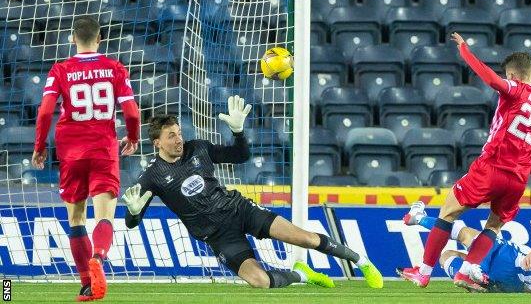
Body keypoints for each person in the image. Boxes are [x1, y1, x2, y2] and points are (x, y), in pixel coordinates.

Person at [121, 100, 383, 289]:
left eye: (179, 133)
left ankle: (362, 261)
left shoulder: (198, 147)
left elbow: (241, 155)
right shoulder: (152, 177)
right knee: (258, 281)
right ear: (157, 143)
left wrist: (238, 133)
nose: (178, 139)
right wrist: (133, 214)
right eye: (171, 136)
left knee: (305, 239)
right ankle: (301, 275)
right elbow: (132, 224)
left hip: (239, 210)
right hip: (218, 235)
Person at [399, 32, 531, 291]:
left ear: (513, 76)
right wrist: (525, 170)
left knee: (447, 213)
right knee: (493, 226)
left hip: (492, 166)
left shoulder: (516, 90)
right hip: (518, 178)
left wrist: (464, 50)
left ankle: (423, 272)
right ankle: (467, 269)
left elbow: (491, 79)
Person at [32, 15, 140, 301]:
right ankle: (99, 257)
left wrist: (40, 145)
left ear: (72, 38)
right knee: (104, 216)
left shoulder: (61, 69)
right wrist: (133, 137)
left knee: (76, 219)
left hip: (71, 153)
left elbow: (44, 112)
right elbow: (131, 112)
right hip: (103, 150)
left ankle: (85, 283)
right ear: (100, 38)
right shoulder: (115, 68)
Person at [399, 202, 531, 293]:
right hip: (519, 287)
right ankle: (475, 277)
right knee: (450, 253)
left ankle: (417, 218)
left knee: (466, 234)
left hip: (516, 263)